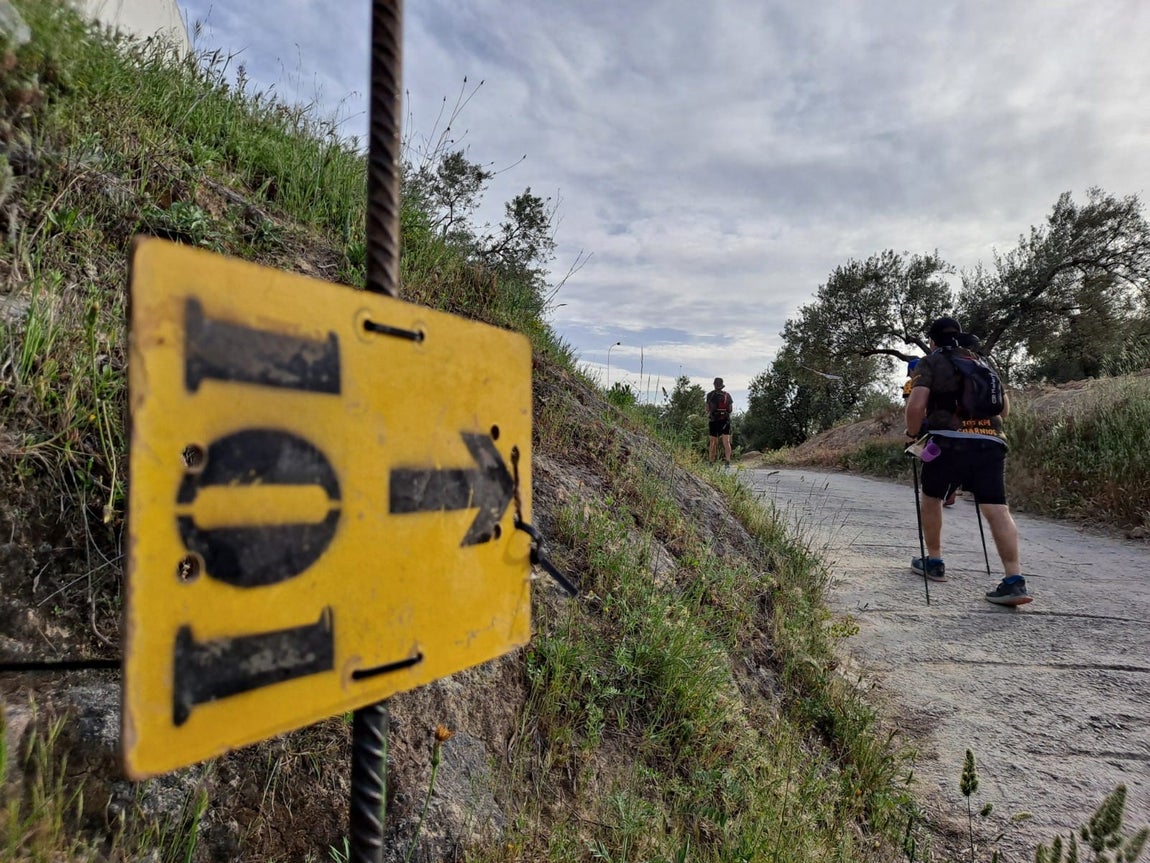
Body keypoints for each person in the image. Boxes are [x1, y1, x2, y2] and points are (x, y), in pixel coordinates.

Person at [904, 317, 1032, 606]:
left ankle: (934, 561)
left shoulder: (931, 361)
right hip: (991, 442)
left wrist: (913, 435)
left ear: (933, 341)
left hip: (946, 442)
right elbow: (1005, 409)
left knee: (932, 496)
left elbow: (915, 405)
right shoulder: (983, 362)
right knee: (996, 507)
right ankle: (1014, 580)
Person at [705, 377, 733, 468]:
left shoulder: (709, 395)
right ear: (722, 385)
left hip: (714, 421)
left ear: (714, 385)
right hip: (725, 420)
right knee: (726, 442)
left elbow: (707, 409)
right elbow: (730, 410)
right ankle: (727, 462)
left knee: (713, 442)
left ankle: (711, 462)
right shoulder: (727, 395)